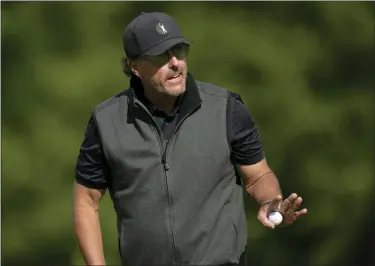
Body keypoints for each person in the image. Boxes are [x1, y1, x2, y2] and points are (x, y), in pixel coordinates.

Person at [73, 11, 307, 266]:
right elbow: (86, 202)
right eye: (161, 55)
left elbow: (258, 176)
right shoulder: (106, 122)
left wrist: (268, 201)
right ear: (134, 66)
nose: (175, 62)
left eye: (179, 50)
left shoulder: (227, 109)